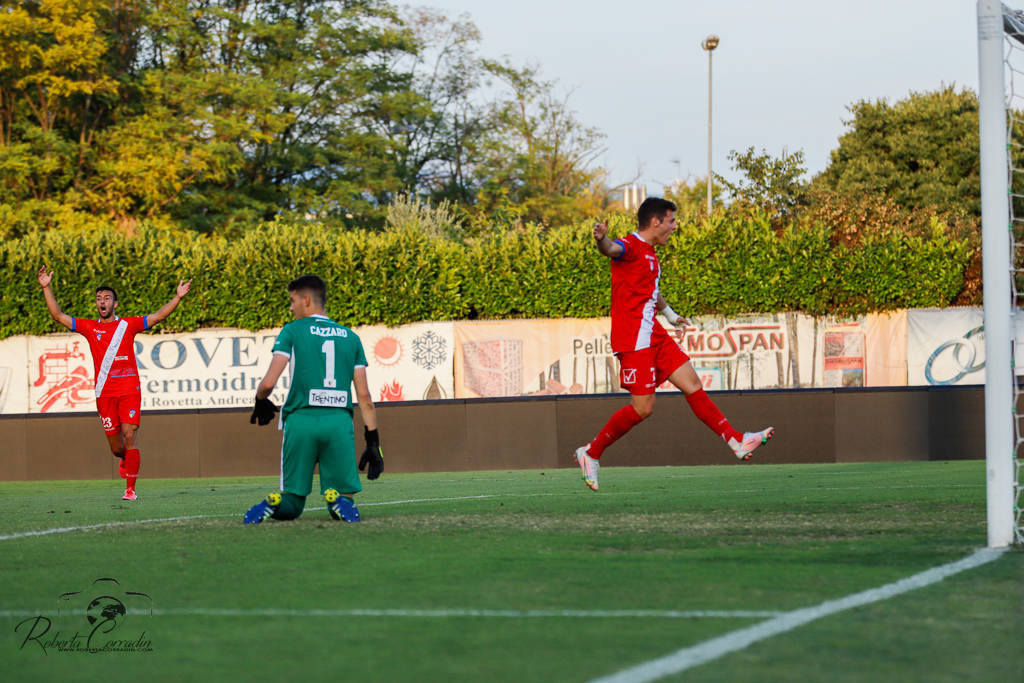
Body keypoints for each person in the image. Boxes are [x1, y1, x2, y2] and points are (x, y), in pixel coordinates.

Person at [573, 197, 773, 491]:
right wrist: (601, 240)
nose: (675, 226)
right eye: (671, 221)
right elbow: (611, 249)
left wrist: (670, 315)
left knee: (692, 383)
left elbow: (653, 292)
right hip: (633, 338)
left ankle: (736, 441)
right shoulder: (629, 245)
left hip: (652, 332)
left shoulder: (651, 254)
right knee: (643, 408)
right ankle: (591, 453)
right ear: (655, 222)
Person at [37, 266, 192, 500]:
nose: (102, 301)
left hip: (129, 389)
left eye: (107, 298)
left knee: (130, 434)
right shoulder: (90, 328)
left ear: (115, 304)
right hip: (104, 393)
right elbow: (58, 316)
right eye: (99, 298)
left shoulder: (127, 325)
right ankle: (123, 459)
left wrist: (177, 297)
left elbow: (159, 316)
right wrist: (46, 287)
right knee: (117, 448)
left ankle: (130, 490)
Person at [244, 274, 383, 524]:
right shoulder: (350, 337)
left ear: (306, 300)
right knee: (344, 498)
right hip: (338, 423)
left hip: (301, 422)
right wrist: (373, 442)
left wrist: (260, 399)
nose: (290, 306)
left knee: (293, 501)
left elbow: (267, 383)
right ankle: (338, 501)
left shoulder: (291, 331)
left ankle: (273, 505)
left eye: (292, 300)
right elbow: (365, 397)